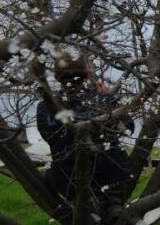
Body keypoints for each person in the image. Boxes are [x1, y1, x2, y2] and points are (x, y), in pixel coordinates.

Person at [36, 55, 133, 212]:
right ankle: (111, 204)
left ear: (55, 76)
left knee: (50, 174)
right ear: (87, 75)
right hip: (110, 173)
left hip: (69, 178)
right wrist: (108, 99)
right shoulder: (103, 100)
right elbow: (128, 128)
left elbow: (49, 137)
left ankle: (83, 208)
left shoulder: (44, 107)